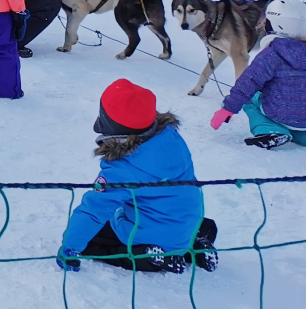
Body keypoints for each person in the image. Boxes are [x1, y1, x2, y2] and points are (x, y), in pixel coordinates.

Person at [59, 79, 217, 274]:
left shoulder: (124, 167)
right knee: (187, 224)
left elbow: (94, 210)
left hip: (150, 235)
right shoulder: (171, 139)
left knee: (95, 238)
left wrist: (69, 248)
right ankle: (194, 247)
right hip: (187, 226)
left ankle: (150, 256)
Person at [210, 0, 306, 149]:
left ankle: (270, 131)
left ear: (277, 25)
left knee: (250, 98)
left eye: (268, 21)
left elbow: (248, 82)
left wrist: (228, 108)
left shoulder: (272, 53)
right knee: (299, 99)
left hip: (280, 111)